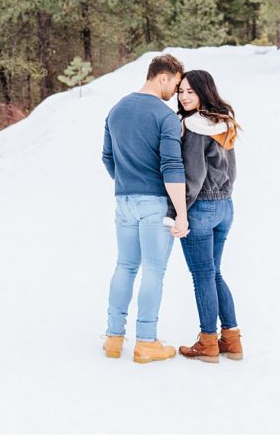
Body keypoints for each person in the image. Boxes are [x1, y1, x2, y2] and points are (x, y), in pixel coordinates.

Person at [101, 54, 190, 364]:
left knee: (125, 266)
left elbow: (107, 158)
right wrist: (181, 211)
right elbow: (172, 166)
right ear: (163, 77)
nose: (175, 92)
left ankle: (113, 337)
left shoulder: (116, 110)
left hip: (123, 201)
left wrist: (127, 181)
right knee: (154, 270)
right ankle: (146, 341)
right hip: (154, 204)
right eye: (176, 84)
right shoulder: (164, 117)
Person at [170, 69, 243, 363]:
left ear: (204, 92)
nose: (184, 96)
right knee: (214, 273)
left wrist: (179, 211)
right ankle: (232, 340)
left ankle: (208, 343)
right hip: (225, 206)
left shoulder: (193, 126)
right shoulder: (222, 122)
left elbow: (194, 175)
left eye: (191, 91)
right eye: (181, 91)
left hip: (200, 207)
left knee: (202, 275)